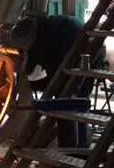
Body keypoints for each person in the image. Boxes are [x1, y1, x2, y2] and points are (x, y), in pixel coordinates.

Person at [12, 15, 105, 148]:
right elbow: (33, 68)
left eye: (23, 45)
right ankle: (80, 148)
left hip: (82, 49)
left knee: (65, 99)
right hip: (94, 48)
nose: (23, 49)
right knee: (79, 101)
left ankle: (69, 148)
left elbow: (55, 72)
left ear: (31, 35)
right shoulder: (41, 32)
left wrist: (35, 85)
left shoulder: (46, 37)